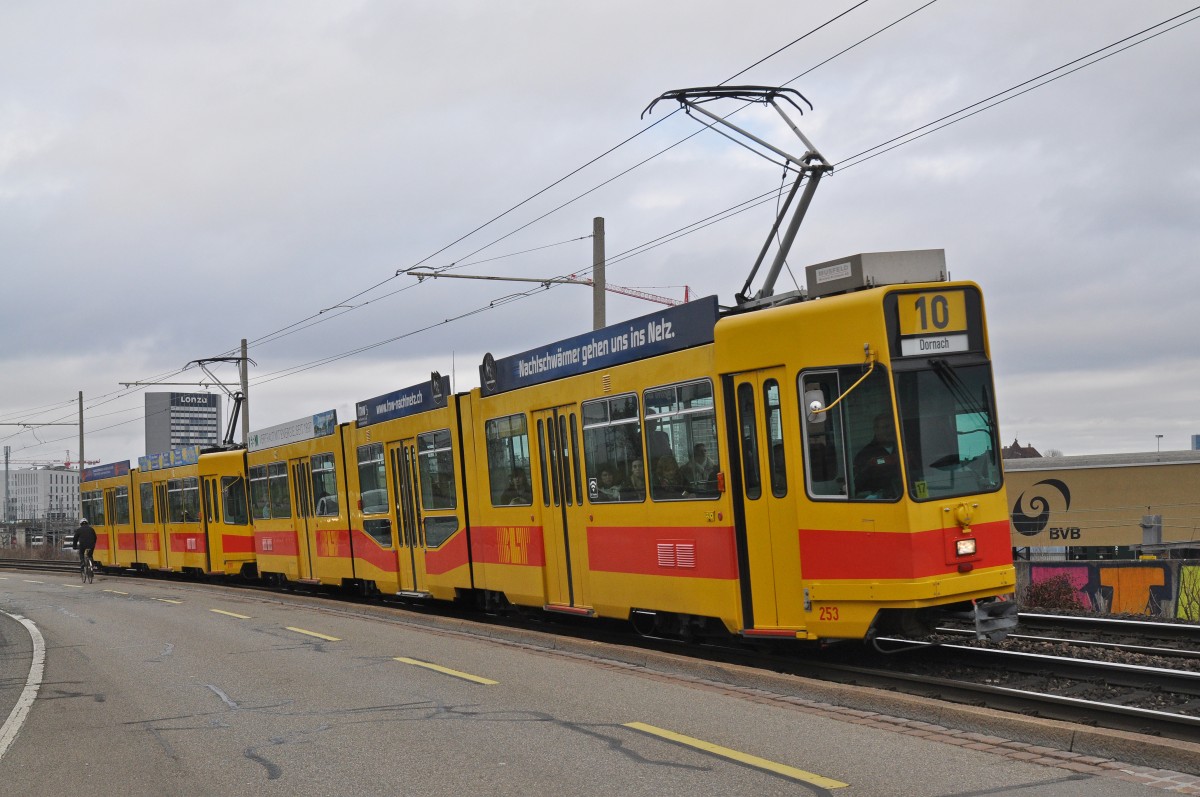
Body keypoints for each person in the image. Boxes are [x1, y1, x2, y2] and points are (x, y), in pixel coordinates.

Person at [853, 414, 901, 498]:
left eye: (892, 427)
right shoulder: (865, 455)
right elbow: (857, 486)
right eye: (885, 427)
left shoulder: (903, 449)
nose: (890, 430)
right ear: (876, 430)